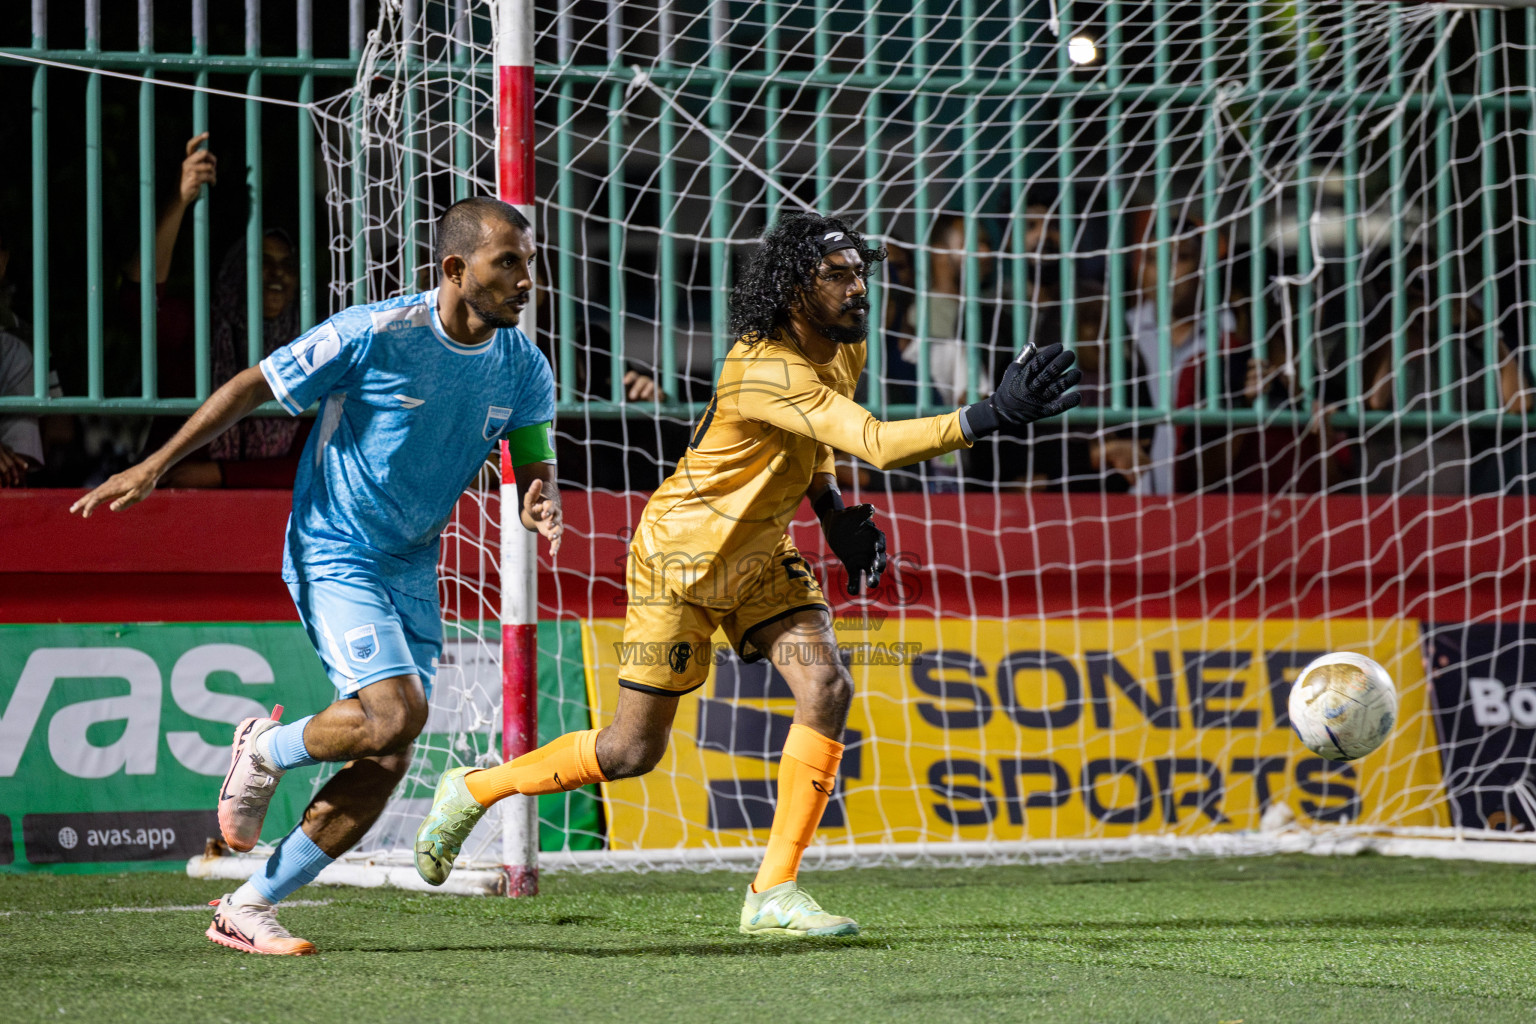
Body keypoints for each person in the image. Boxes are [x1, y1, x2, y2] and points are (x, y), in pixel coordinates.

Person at [412, 213, 1081, 937]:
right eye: (838, 276)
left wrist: (829, 511)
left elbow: (817, 441)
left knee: (825, 686)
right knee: (632, 751)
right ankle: (475, 787)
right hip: (683, 559)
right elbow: (876, 443)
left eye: (861, 273)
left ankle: (773, 890)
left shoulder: (839, 346)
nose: (859, 289)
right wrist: (990, 414)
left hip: (762, 552)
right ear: (795, 289)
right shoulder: (764, 364)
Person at [70, 197, 562, 956]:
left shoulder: (524, 365)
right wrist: (156, 463)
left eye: (531, 263)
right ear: (456, 269)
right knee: (398, 715)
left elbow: (531, 459)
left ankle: (249, 901)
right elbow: (253, 383)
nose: (527, 280)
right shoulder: (374, 334)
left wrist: (537, 496)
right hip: (335, 546)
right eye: (510, 263)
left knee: (389, 752)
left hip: (410, 562)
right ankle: (265, 747)